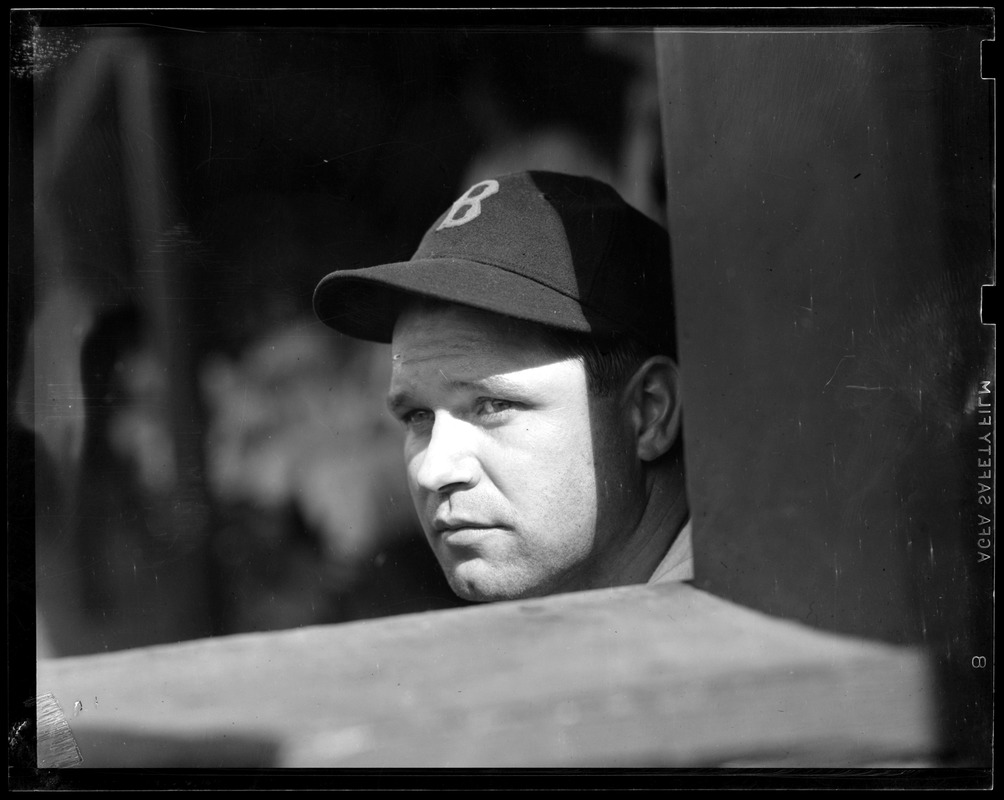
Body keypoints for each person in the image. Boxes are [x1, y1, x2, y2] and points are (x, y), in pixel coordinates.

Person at [313, 170, 691, 603]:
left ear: (649, 412)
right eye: (417, 416)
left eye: (492, 405)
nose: (433, 471)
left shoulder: (729, 646)